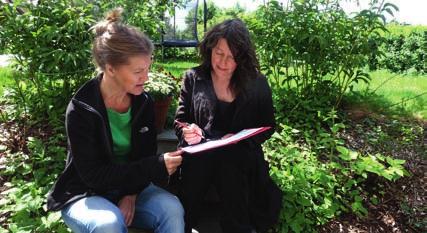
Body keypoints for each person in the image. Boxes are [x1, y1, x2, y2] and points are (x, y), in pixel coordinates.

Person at [47, 8, 184, 233]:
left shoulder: (144, 103)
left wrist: (130, 194)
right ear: (110, 69)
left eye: (148, 68)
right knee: (108, 223)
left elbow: (144, 156)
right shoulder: (81, 109)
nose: (146, 77)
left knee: (172, 209)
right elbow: (94, 175)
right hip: (85, 192)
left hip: (132, 189)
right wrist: (154, 167)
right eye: (138, 71)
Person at [174, 19, 283, 233]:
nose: (223, 62)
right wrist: (188, 130)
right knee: (198, 166)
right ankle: (184, 225)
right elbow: (180, 120)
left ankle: (238, 228)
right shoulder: (194, 77)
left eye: (232, 57)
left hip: (239, 153)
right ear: (209, 49)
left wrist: (243, 137)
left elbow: (268, 125)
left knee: (231, 164)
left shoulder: (257, 82)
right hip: (202, 150)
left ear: (241, 58)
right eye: (219, 53)